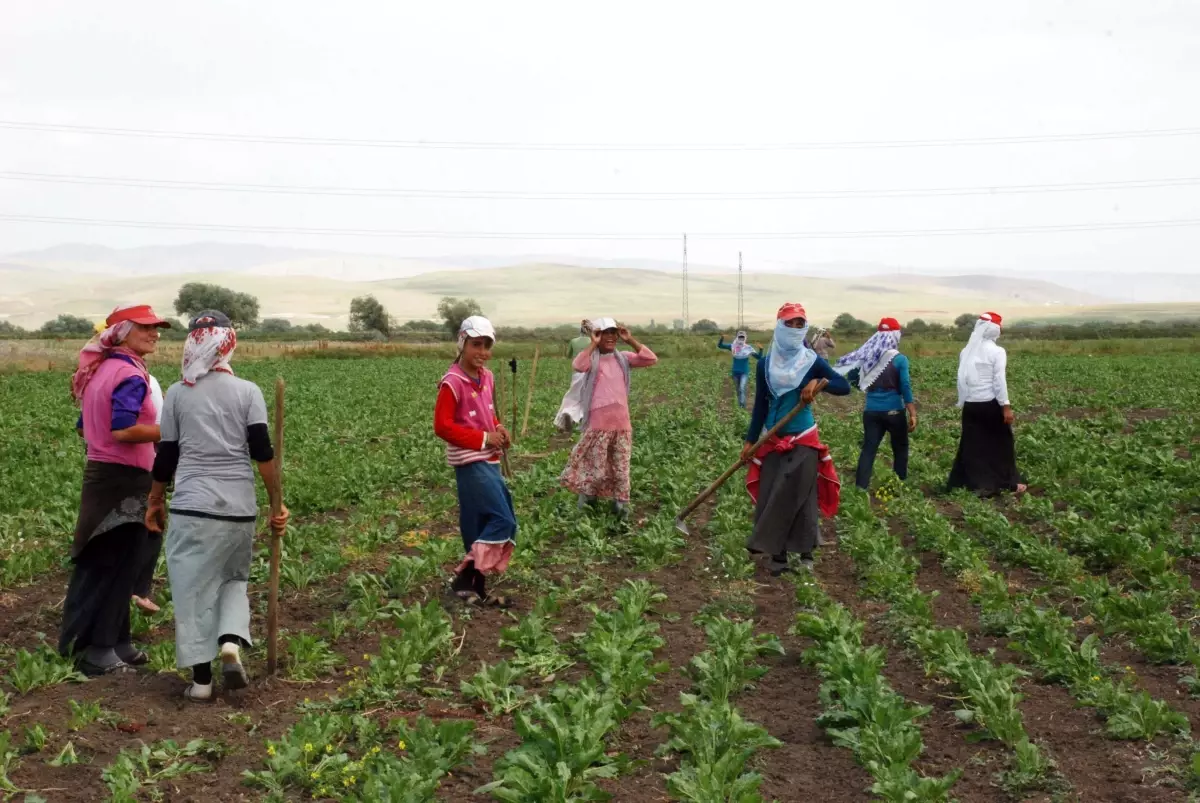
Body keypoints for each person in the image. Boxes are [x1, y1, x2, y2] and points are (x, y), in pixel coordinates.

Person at [145, 310, 289, 701]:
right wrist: (278, 503)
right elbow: (263, 455)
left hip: (193, 508)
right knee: (234, 580)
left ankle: (202, 682)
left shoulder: (178, 393)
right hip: (239, 509)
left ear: (193, 343)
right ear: (229, 344)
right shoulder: (249, 392)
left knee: (193, 590)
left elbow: (166, 457)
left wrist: (155, 500)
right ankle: (230, 642)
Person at [60, 303, 172, 676]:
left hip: (104, 474)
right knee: (113, 563)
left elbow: (83, 427)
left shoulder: (101, 371)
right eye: (146, 328)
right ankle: (99, 650)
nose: (155, 333)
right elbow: (122, 429)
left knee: (117, 563)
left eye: (157, 328)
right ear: (123, 332)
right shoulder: (129, 376)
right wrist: (175, 430)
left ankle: (117, 642)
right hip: (123, 479)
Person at [742, 302, 850, 575]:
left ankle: (805, 553)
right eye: (788, 323)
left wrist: (815, 384)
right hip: (773, 436)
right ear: (779, 326)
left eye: (799, 324)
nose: (794, 328)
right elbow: (761, 406)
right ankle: (777, 556)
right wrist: (750, 440)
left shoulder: (812, 360)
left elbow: (843, 386)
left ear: (805, 327)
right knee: (773, 493)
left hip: (803, 437)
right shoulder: (765, 365)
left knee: (802, 495)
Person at [434, 316, 517, 606]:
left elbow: (488, 412)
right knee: (503, 520)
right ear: (463, 343)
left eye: (486, 345)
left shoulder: (488, 376)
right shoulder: (452, 383)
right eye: (476, 345)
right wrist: (484, 439)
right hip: (469, 460)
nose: (482, 352)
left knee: (478, 523)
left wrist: (498, 428)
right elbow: (442, 426)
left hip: (489, 459)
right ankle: (464, 577)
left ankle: (472, 588)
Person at [560, 317, 657, 516]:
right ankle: (588, 504)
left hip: (622, 425)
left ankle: (620, 508)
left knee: (621, 470)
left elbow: (650, 358)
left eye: (614, 332)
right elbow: (578, 365)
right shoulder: (592, 359)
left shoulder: (623, 358)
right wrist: (593, 344)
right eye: (606, 333)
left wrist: (630, 340)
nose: (611, 337)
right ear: (597, 334)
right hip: (598, 426)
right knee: (595, 471)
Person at [948, 312, 1027, 496]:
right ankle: (1007, 483)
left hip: (971, 404)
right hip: (990, 404)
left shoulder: (965, 351)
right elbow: (999, 381)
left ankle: (972, 483)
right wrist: (1005, 406)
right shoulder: (997, 352)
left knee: (972, 445)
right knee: (1001, 444)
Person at [835, 317, 917, 490]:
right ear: (895, 336)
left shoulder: (868, 358)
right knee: (900, 448)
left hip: (871, 410)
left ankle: (861, 487)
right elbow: (905, 386)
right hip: (894, 411)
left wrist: (866, 389)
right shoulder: (899, 359)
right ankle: (898, 484)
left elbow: (852, 378)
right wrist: (912, 411)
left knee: (869, 449)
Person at [554, 320, 593, 431]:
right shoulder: (592, 341)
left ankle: (568, 413)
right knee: (586, 397)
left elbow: (568, 355)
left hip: (577, 373)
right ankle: (580, 418)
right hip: (589, 372)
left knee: (572, 397)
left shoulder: (573, 341)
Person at [717, 330, 762, 409]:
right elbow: (720, 346)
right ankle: (741, 405)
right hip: (735, 372)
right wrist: (722, 338)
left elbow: (759, 357)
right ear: (737, 337)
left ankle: (742, 407)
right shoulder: (733, 346)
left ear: (745, 338)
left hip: (744, 372)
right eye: (740, 337)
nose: (741, 339)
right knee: (738, 390)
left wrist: (761, 349)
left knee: (741, 388)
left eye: (742, 337)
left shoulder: (748, 348)